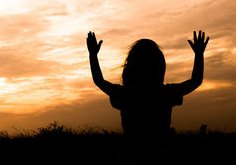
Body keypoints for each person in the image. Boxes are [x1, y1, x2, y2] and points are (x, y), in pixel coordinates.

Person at [87, 30, 209, 162]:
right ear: (159, 67)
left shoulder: (126, 94)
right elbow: (195, 81)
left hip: (132, 154)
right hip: (160, 154)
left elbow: (99, 81)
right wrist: (199, 54)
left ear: (130, 67)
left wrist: (93, 55)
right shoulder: (164, 93)